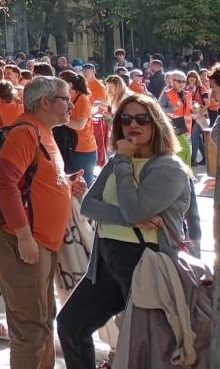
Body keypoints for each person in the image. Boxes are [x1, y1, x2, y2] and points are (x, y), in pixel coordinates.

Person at [58, 93, 192, 368]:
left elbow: (135, 209)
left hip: (146, 264)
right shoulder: (118, 160)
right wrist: (127, 217)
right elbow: (90, 206)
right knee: (71, 324)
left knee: (145, 344)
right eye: (126, 118)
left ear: (156, 123)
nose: (133, 125)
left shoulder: (169, 167)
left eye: (142, 119)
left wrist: (124, 165)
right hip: (107, 263)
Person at [0, 76, 85, 369]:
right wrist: (24, 236)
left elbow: (32, 180)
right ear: (45, 102)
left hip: (41, 243)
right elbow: (4, 182)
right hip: (25, 245)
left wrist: (64, 185)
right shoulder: (26, 132)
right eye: (66, 100)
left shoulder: (43, 131)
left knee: (42, 320)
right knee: (30, 329)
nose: (71, 106)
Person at [60, 70, 98, 186]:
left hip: (84, 150)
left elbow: (79, 125)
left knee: (83, 186)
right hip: (72, 148)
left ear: (70, 84)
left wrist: (60, 119)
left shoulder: (82, 99)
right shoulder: (68, 98)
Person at [160, 69, 193, 167]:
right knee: (184, 147)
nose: (182, 84)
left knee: (182, 148)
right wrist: (172, 108)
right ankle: (185, 169)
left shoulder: (187, 93)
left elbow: (188, 109)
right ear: (173, 81)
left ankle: (183, 169)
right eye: (179, 81)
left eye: (184, 81)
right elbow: (160, 108)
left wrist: (195, 109)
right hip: (173, 123)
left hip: (186, 124)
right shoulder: (167, 93)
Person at [186, 70, 209, 166]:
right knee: (197, 138)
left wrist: (199, 114)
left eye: (194, 76)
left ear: (196, 78)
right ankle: (206, 158)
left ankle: (193, 159)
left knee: (194, 135)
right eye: (190, 76)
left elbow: (207, 104)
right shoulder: (186, 89)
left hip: (201, 116)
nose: (192, 78)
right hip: (191, 116)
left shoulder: (202, 88)